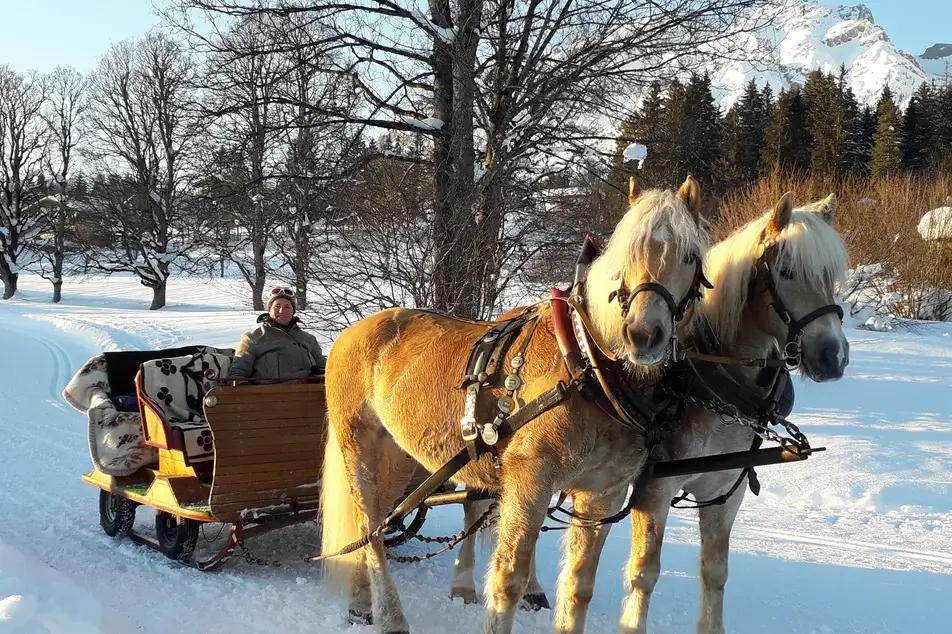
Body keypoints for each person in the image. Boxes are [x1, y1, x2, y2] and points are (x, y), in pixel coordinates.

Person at [226, 287, 326, 382]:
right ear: (269, 310)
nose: (282, 311)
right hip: (270, 397)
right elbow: (237, 374)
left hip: (310, 394)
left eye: (287, 307)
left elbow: (326, 368)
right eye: (277, 306)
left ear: (293, 311)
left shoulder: (309, 339)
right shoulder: (252, 338)